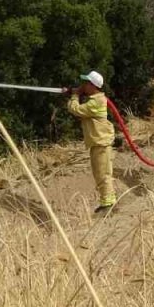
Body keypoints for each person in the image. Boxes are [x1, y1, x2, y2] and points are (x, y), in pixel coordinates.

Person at [63, 70, 117, 213]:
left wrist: (75, 95)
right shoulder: (95, 100)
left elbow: (75, 109)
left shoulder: (97, 102)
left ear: (93, 85)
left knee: (102, 174)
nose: (83, 85)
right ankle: (108, 201)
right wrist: (73, 94)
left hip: (101, 143)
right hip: (97, 142)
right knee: (101, 173)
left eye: (86, 83)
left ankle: (108, 205)